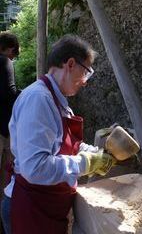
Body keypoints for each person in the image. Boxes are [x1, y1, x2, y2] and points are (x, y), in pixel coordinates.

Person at [1, 34, 116, 234]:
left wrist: (98, 153)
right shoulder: (38, 99)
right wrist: (86, 163)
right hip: (30, 208)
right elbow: (35, 168)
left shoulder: (57, 101)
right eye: (86, 72)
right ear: (70, 64)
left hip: (47, 206)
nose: (85, 82)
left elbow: (65, 143)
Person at [0, 32, 21, 234]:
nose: (13, 57)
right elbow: (10, 93)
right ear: (9, 48)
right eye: (14, 53)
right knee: (7, 175)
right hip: (2, 129)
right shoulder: (4, 61)